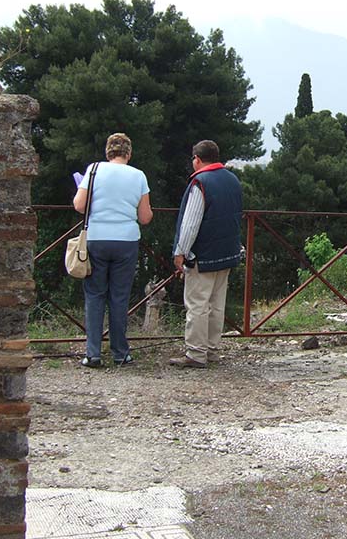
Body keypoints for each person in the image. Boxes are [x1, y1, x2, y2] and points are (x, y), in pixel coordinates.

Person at [73, 133, 153, 368]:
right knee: (119, 297)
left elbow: (79, 205)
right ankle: (120, 352)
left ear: (108, 152)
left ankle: (93, 353)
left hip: (97, 238)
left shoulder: (94, 169)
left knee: (95, 295)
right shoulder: (138, 176)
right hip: (126, 241)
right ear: (129, 153)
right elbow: (145, 217)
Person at [169, 140, 243, 368]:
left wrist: (180, 251)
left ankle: (196, 353)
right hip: (227, 251)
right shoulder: (233, 180)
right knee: (217, 304)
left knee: (197, 305)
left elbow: (191, 223)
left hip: (203, 254)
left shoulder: (200, 182)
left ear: (197, 159)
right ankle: (212, 350)